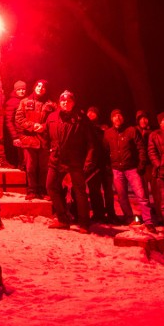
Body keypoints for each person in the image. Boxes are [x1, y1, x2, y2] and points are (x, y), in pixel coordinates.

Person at [45, 91, 94, 234]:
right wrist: (49, 149)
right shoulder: (52, 117)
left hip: (75, 160)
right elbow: (46, 136)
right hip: (56, 159)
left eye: (69, 100)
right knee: (50, 186)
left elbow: (91, 142)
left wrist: (89, 159)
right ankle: (63, 218)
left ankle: (84, 223)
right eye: (63, 100)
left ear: (74, 102)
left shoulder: (81, 119)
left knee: (79, 191)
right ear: (59, 102)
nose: (66, 103)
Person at [103, 109, 154, 231]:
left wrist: (141, 164)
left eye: (120, 115)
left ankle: (148, 221)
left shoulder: (131, 130)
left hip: (132, 168)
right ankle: (129, 217)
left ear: (123, 118)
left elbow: (141, 148)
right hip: (116, 169)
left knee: (141, 195)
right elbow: (104, 151)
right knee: (122, 196)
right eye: (115, 116)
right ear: (111, 119)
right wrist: (107, 165)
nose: (117, 118)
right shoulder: (108, 133)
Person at [15, 79, 56, 200]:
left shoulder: (51, 104)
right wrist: (32, 126)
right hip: (29, 139)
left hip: (44, 140)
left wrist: (43, 127)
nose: (40, 88)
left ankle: (43, 190)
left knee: (44, 168)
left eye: (43, 87)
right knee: (31, 167)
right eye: (38, 86)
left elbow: (54, 120)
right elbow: (19, 117)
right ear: (34, 87)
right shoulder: (24, 102)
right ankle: (32, 190)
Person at [86, 106, 115, 223]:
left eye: (94, 113)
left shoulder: (104, 130)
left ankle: (111, 214)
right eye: (89, 112)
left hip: (105, 164)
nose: (91, 114)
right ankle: (98, 214)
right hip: (92, 165)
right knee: (94, 191)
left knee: (108, 191)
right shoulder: (84, 128)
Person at [2, 80, 26, 168]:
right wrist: (15, 136)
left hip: (25, 133)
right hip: (17, 134)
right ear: (15, 90)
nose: (21, 91)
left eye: (23, 89)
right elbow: (9, 121)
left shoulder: (25, 100)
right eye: (19, 89)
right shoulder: (11, 102)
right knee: (20, 160)